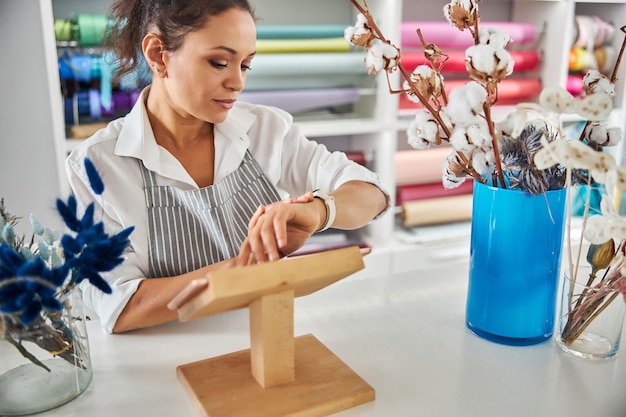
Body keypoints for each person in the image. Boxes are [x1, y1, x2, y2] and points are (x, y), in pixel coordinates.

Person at [65, 0, 389, 334]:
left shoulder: (267, 130)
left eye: (246, 65)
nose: (237, 82)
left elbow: (373, 194)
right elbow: (120, 307)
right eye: (219, 62)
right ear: (159, 53)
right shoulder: (98, 165)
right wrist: (244, 270)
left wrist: (320, 212)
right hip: (163, 365)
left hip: (268, 339)